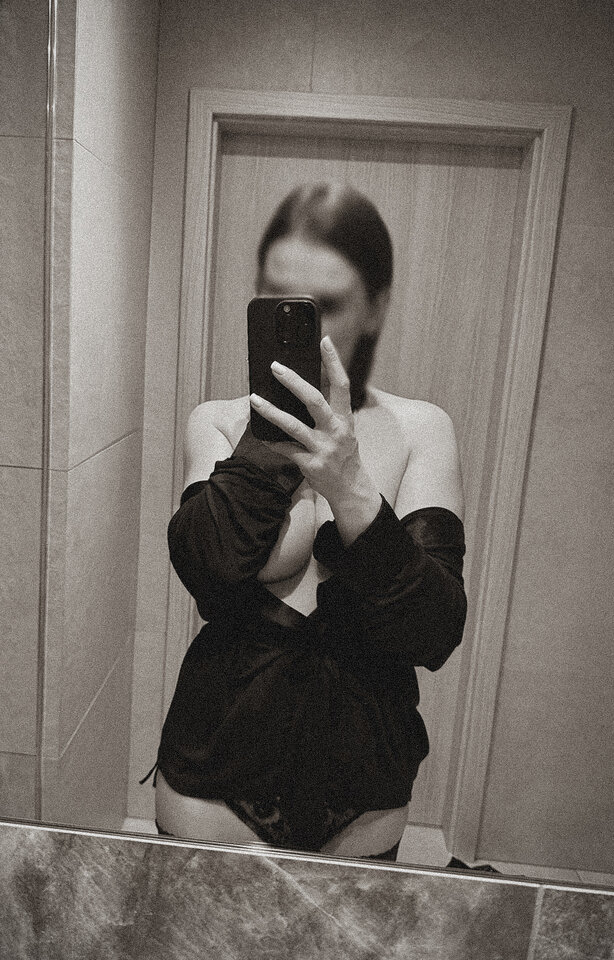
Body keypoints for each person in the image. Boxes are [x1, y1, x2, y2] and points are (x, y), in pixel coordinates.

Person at [149, 182, 467, 861]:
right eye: (279, 297)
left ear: (376, 307)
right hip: (213, 773)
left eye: (329, 304)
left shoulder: (420, 430)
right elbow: (208, 570)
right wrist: (269, 442)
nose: (307, 327)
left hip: (364, 783)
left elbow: (434, 630)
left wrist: (349, 486)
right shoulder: (218, 422)